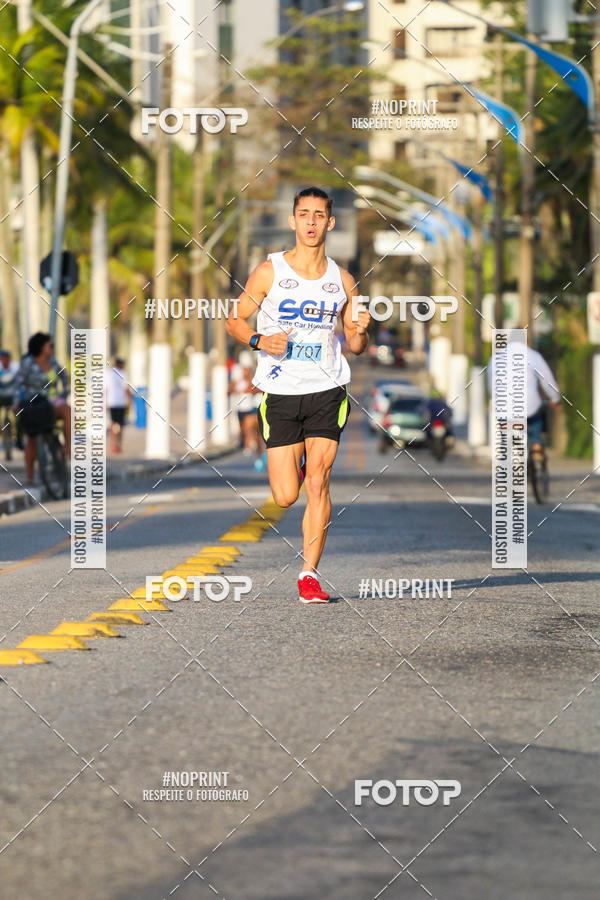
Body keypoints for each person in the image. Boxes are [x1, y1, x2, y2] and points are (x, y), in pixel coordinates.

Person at [226, 186, 370, 604]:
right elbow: (234, 320)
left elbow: (356, 345)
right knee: (286, 494)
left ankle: (309, 574)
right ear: (292, 221)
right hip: (281, 392)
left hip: (328, 389)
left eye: (318, 215)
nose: (311, 222)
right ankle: (302, 465)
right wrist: (258, 340)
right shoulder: (269, 272)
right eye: (303, 214)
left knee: (319, 483)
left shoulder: (342, 281)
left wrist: (359, 331)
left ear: (331, 222)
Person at [13, 332, 70, 485]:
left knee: (68, 411)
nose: (52, 348)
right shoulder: (27, 363)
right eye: (49, 345)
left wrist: (64, 394)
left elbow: (64, 377)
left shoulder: (53, 362)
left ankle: (68, 448)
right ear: (40, 347)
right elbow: (18, 384)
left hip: (53, 401)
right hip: (35, 403)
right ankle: (30, 476)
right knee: (31, 438)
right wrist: (16, 402)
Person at [488, 340, 561, 451]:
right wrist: (555, 399)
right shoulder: (533, 355)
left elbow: (491, 384)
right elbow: (547, 380)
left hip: (504, 409)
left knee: (505, 437)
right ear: (526, 340)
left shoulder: (495, 358)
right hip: (529, 407)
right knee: (536, 420)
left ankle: (506, 452)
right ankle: (536, 445)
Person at [229, 350, 263, 462]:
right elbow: (229, 390)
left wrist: (248, 378)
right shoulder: (237, 373)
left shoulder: (255, 373)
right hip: (241, 407)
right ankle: (248, 446)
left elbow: (254, 389)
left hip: (254, 406)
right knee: (243, 428)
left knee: (253, 429)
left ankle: (256, 451)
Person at [106, 357, 131, 454]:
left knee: (113, 424)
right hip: (120, 403)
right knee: (120, 425)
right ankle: (118, 445)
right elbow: (126, 389)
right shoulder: (123, 374)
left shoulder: (109, 374)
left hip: (111, 402)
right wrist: (130, 401)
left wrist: (103, 402)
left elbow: (105, 389)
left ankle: (113, 444)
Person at [0, 350, 19, 456]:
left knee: (15, 419)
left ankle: (18, 437)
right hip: (1, 399)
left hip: (13, 398)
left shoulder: (15, 368)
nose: (4, 361)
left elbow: (19, 386)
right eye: (2, 359)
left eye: (6, 359)